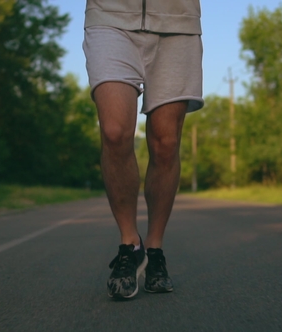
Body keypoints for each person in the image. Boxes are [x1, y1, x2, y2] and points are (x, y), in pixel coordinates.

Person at [83, 0, 203, 299]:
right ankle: (130, 244)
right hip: (110, 16)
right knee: (114, 131)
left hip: (178, 22)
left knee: (166, 143)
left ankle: (155, 248)